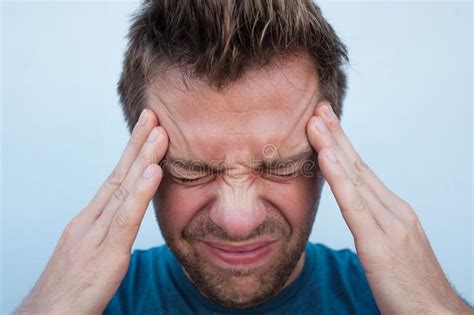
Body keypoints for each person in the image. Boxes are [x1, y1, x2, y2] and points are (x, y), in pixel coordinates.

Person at [14, 1, 472, 314]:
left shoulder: (392, 300)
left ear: (334, 156)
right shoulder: (90, 303)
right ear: (138, 161)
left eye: (280, 166)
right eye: (191, 170)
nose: (237, 220)